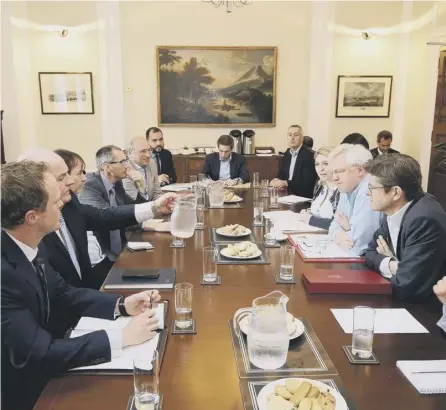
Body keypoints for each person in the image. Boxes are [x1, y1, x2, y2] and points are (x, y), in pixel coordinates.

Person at [1, 161, 162, 410]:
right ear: (31, 217)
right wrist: (122, 337)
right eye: (55, 203)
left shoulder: (28, 241)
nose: (63, 205)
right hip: (26, 392)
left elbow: (63, 293)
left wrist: (121, 304)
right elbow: (38, 353)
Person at [18, 147, 176, 289]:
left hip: (86, 293)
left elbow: (105, 216)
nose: (71, 181)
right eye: (61, 177)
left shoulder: (70, 203)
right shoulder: (31, 227)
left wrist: (154, 207)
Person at [364, 154, 446, 301]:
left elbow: (407, 286)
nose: (367, 193)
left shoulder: (424, 220)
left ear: (395, 192)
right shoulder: (394, 209)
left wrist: (395, 266)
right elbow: (369, 252)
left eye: (372, 188)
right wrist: (394, 264)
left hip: (427, 312)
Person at [79, 145, 172, 261]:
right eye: (122, 162)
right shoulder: (90, 186)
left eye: (126, 160)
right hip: (103, 256)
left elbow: (131, 209)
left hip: (123, 248)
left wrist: (143, 188)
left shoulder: (117, 183)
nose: (127, 165)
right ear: (107, 167)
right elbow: (110, 218)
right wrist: (153, 216)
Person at [54, 149, 114, 287]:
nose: (84, 178)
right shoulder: (45, 221)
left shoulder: (71, 202)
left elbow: (106, 215)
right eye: (80, 172)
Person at [328, 144, 381, 256]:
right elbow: (333, 225)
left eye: (340, 171)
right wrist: (339, 234)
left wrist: (345, 230)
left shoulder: (369, 190)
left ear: (360, 170)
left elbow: (356, 247)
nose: (334, 178)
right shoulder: (347, 186)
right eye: (333, 172)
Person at [296, 146, 340, 230]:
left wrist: (310, 219)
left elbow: (338, 225)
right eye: (317, 164)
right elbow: (320, 210)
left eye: (325, 164)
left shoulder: (341, 190)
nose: (320, 168)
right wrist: (309, 212)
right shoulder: (320, 185)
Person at [270, 124, 317, 198]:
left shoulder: (309, 155)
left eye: (296, 135)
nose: (292, 138)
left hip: (302, 196)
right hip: (287, 194)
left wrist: (286, 183)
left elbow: (307, 181)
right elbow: (281, 173)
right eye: (289, 135)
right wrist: (276, 179)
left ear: (301, 138)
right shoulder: (287, 153)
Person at [122, 136, 163, 203]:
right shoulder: (125, 169)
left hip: (151, 208)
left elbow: (157, 193)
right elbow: (135, 202)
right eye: (143, 151)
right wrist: (141, 186)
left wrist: (166, 200)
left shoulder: (151, 163)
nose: (148, 155)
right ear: (130, 154)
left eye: (149, 150)